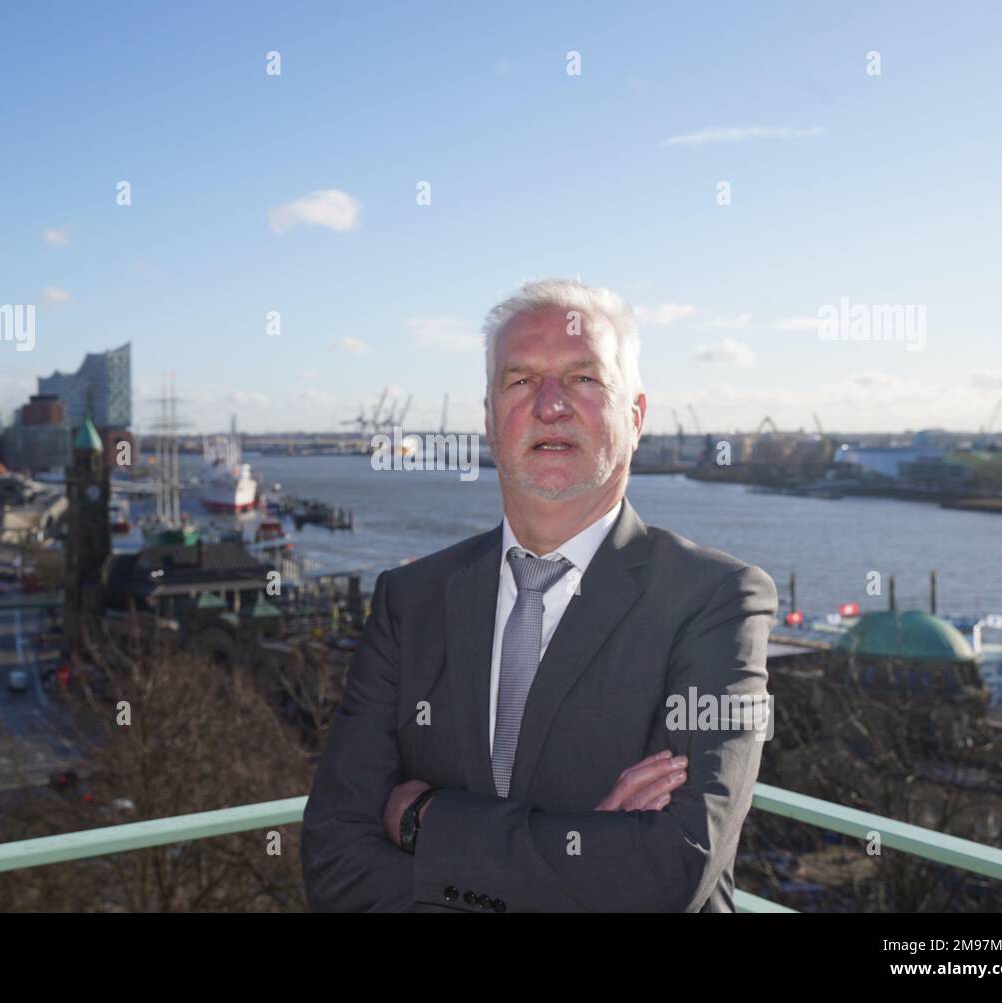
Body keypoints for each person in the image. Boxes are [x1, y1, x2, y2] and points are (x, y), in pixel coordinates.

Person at [301, 278, 778, 912]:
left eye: (583, 379)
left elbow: (669, 872)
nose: (550, 405)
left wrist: (423, 818)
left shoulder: (716, 600)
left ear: (635, 417)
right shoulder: (408, 600)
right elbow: (334, 862)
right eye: (521, 381)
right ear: (491, 421)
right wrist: (588, 852)